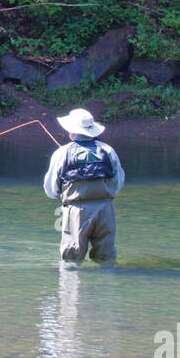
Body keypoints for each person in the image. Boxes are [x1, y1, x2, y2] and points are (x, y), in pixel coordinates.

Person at [43, 108, 124, 267]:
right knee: (106, 259)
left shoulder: (62, 153)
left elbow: (51, 189)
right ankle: (106, 289)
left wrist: (63, 197)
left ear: (71, 132)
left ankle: (71, 291)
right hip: (106, 210)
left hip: (76, 211)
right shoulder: (108, 151)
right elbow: (118, 182)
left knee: (71, 261)